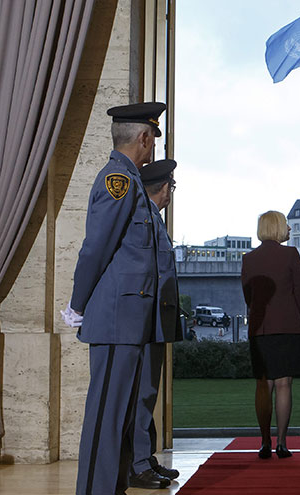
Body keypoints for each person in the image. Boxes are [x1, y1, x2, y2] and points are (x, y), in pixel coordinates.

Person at [68, 101, 167, 495]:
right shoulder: (119, 180)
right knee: (107, 418)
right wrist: (77, 304)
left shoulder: (128, 180)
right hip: (114, 319)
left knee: (121, 416)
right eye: (152, 140)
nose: (153, 149)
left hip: (128, 321)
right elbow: (96, 249)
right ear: (143, 138)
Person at [127, 158, 183, 488]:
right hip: (146, 320)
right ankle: (136, 464)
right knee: (143, 393)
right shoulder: (144, 218)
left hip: (156, 319)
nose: (171, 192)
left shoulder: (153, 219)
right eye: (171, 187)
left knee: (148, 394)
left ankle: (144, 457)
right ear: (164, 188)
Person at [241, 210, 300, 459]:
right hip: (287, 327)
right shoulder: (290, 254)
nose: (289, 228)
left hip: (260, 330)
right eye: (286, 224)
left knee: (264, 385)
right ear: (278, 227)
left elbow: (248, 296)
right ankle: (282, 442)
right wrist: (297, 315)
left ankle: (264, 441)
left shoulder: (249, 259)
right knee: (283, 385)